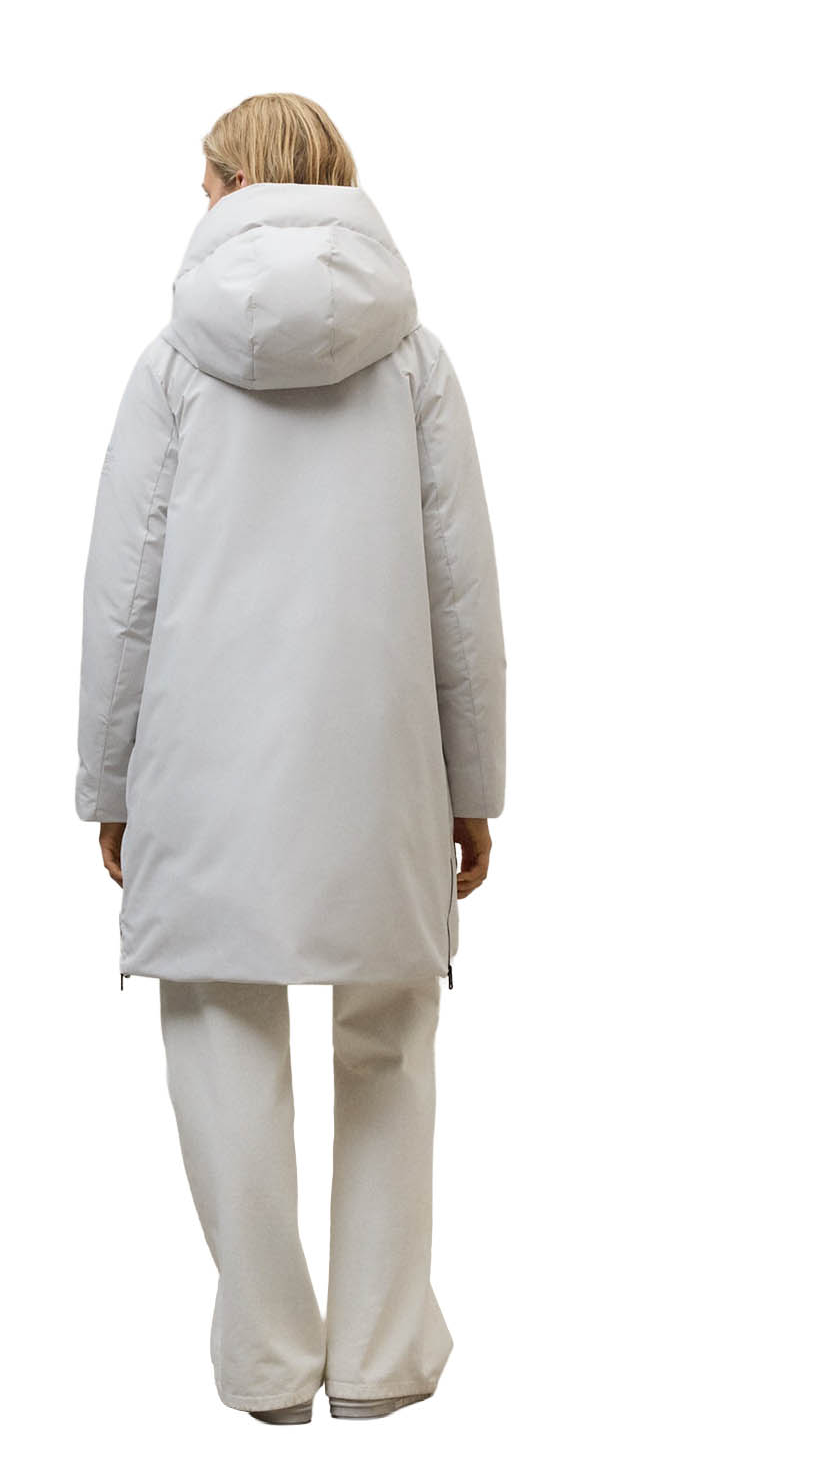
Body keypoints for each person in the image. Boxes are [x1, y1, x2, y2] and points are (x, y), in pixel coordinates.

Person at [74, 93, 506, 1425]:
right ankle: (377, 1358)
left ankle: (268, 1359)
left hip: (203, 765)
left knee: (221, 1031)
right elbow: (461, 598)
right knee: (390, 1037)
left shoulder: (173, 364)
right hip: (381, 766)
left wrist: (109, 781)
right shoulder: (414, 362)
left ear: (222, 186)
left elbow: (124, 597)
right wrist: (474, 787)